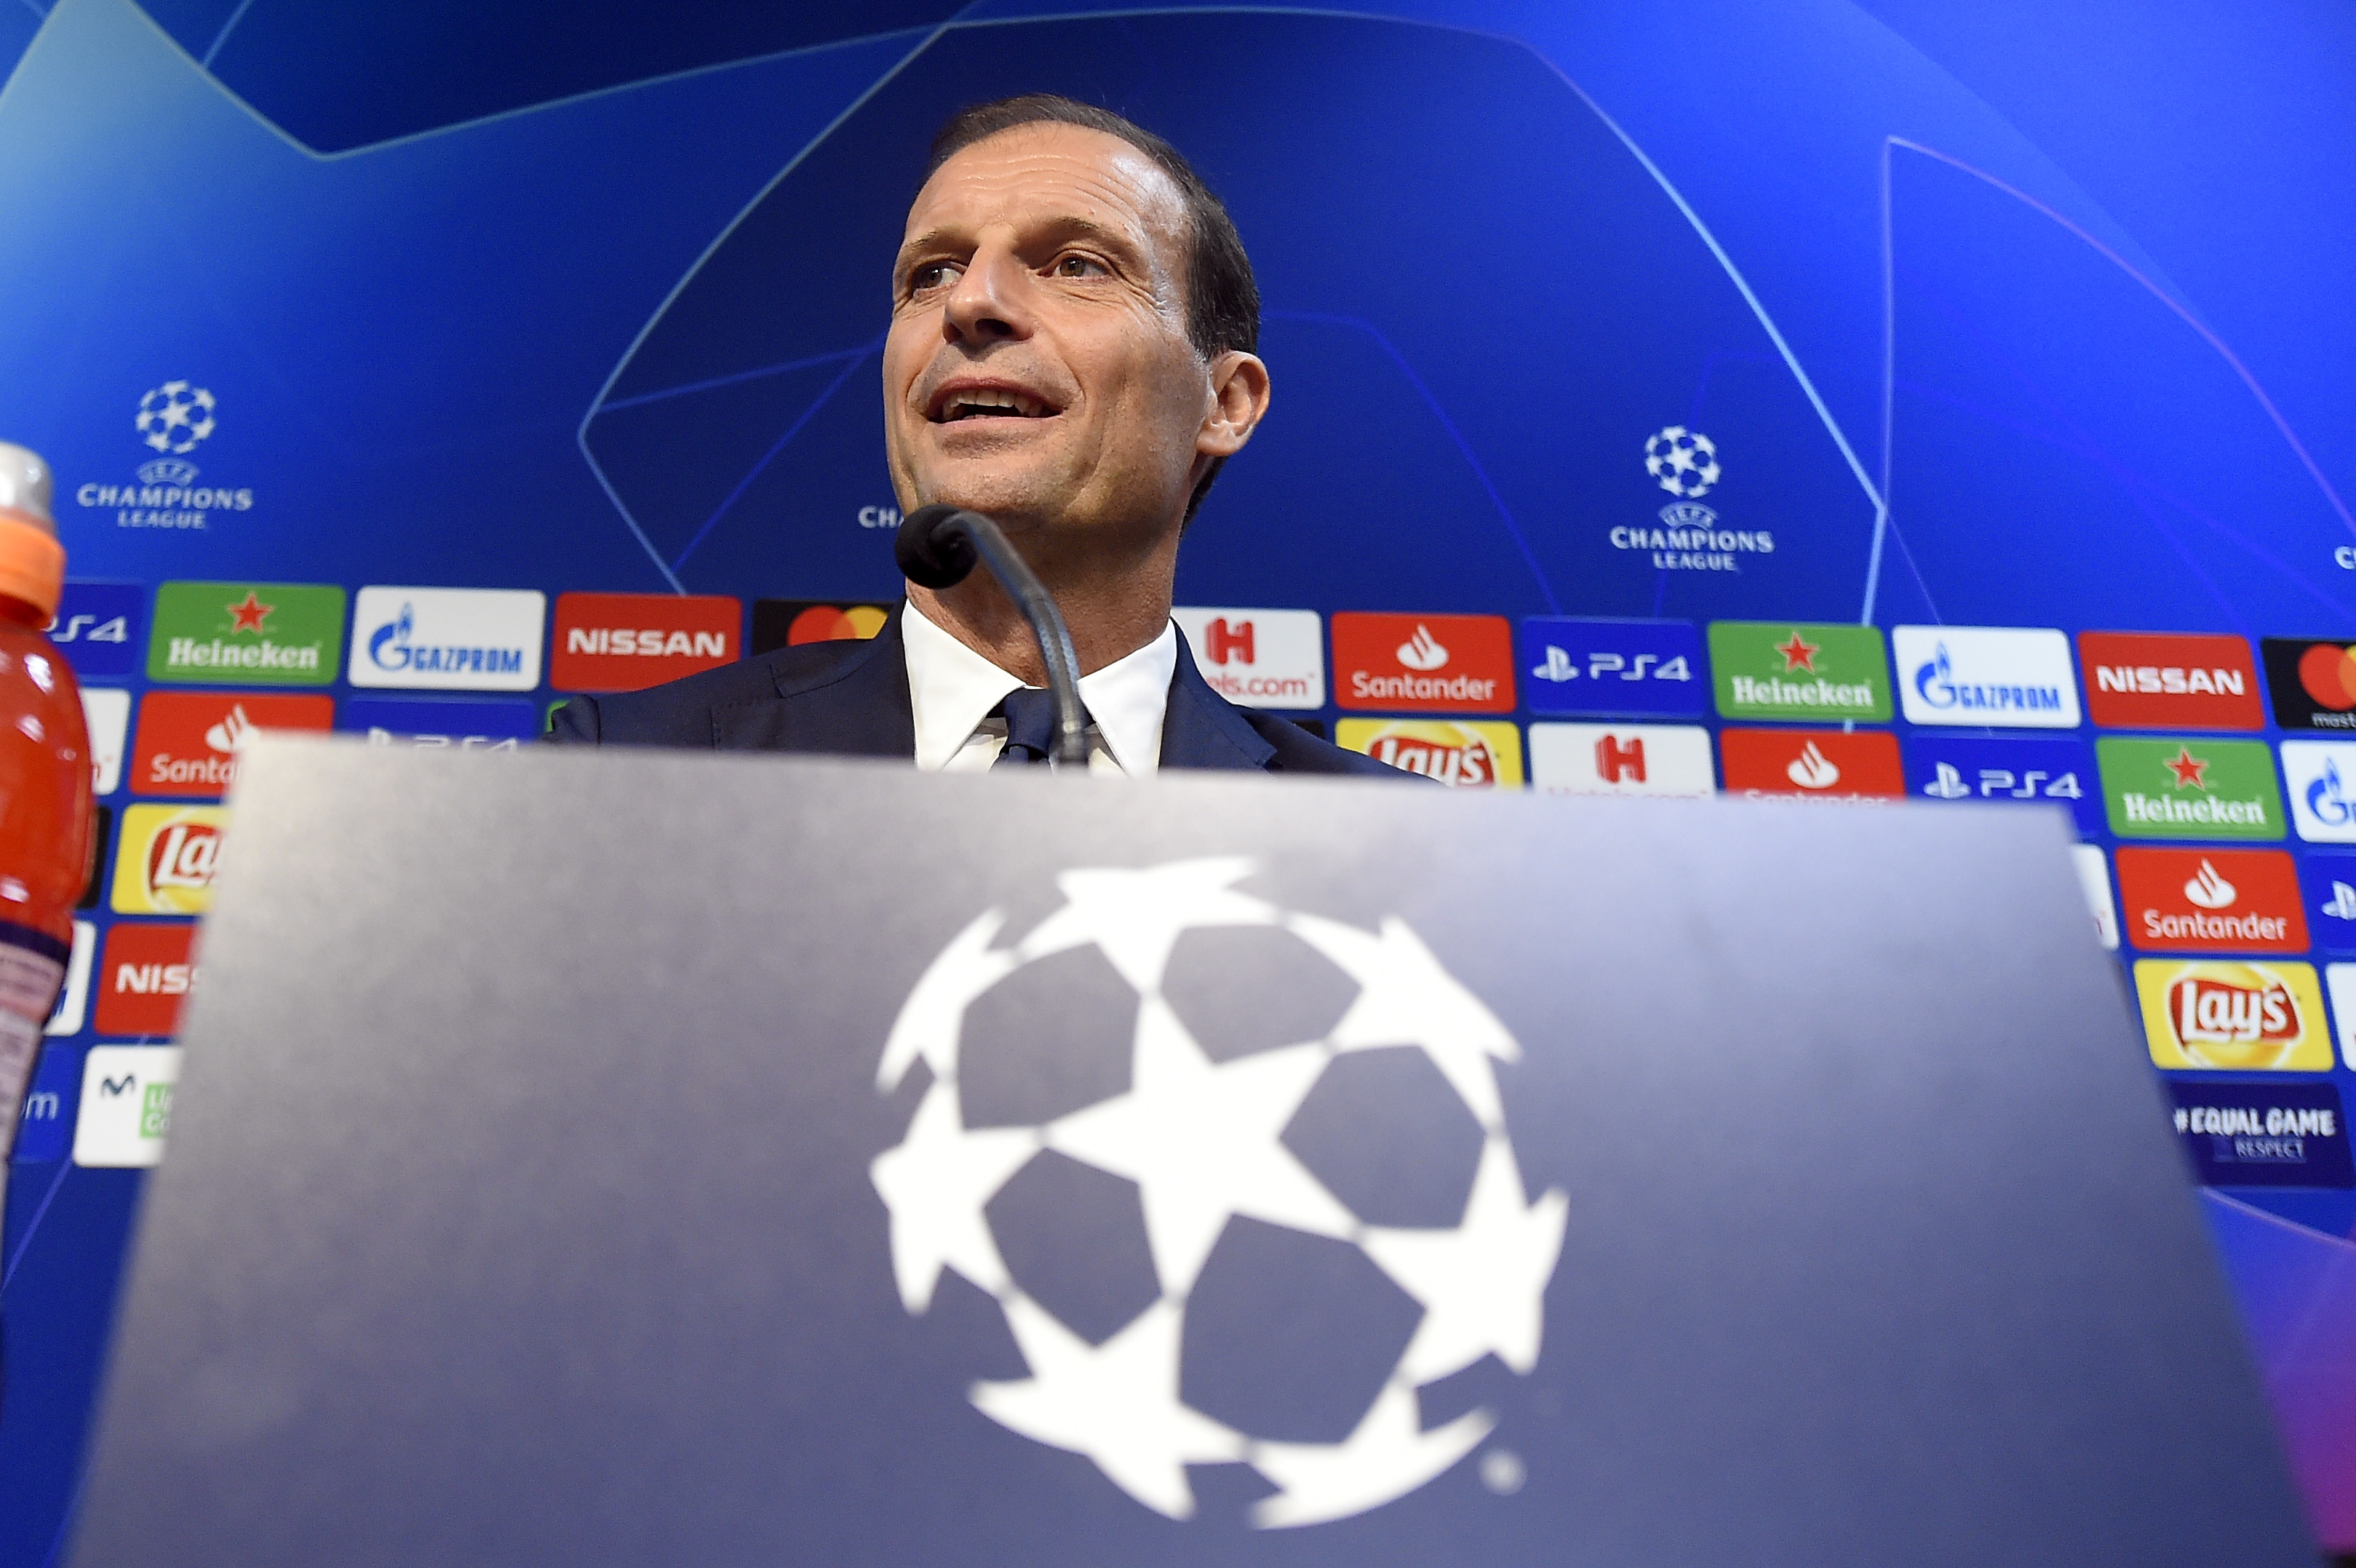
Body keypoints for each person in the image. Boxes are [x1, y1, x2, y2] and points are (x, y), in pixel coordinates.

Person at [548, 95, 1404, 779]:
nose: (969, 302)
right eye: (931, 274)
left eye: (1076, 264)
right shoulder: (629, 774)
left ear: (1224, 404)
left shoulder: (1393, 842)